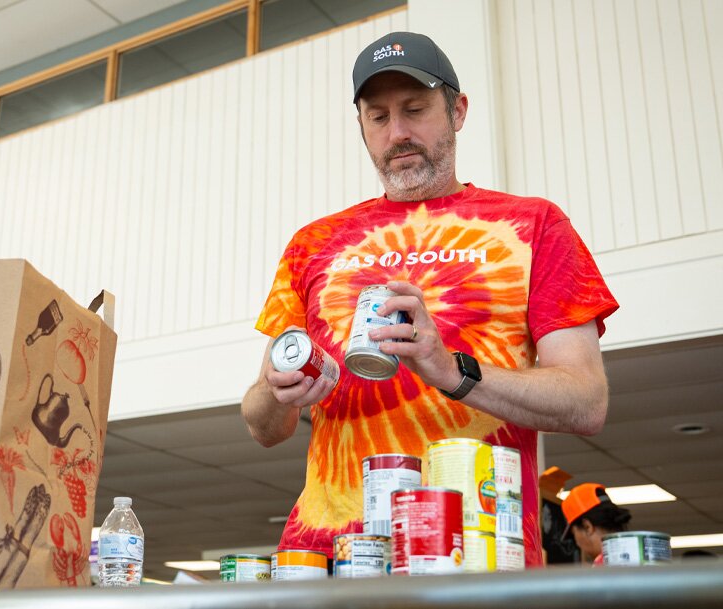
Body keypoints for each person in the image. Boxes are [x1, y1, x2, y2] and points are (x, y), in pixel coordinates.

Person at [241, 31, 618, 568]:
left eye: (415, 109)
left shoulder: (535, 225)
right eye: (378, 117)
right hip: (331, 558)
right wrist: (280, 393)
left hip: (478, 553)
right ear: (362, 127)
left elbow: (587, 402)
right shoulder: (313, 245)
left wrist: (452, 370)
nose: (398, 133)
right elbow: (262, 426)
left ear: (458, 110)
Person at [561, 483, 631, 565]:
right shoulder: (641, 557)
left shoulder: (601, 569)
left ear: (587, 527)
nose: (577, 543)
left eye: (574, 534)